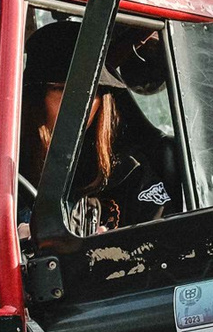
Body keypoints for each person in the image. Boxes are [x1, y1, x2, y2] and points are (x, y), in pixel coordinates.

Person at [20, 19, 177, 235]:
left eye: (90, 93)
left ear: (102, 101)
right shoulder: (2, 175)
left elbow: (162, 249)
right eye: (60, 89)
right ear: (36, 98)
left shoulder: (130, 174)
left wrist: (108, 254)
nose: (77, 104)